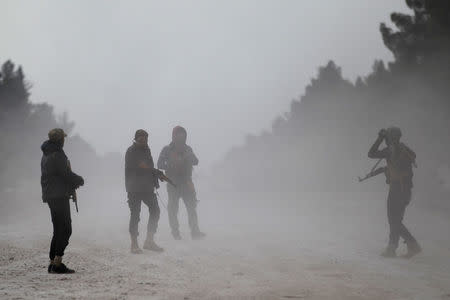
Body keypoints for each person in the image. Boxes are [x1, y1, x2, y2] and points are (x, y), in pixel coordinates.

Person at [368, 127, 422, 258]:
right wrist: (387, 170)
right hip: (406, 190)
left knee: (394, 220)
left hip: (397, 190)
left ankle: (402, 246)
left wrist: (379, 138)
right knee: (396, 220)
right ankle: (401, 247)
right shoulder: (405, 149)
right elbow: (401, 166)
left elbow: (371, 153)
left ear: (390, 138)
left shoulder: (390, 150)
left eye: (387, 137)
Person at [41, 128, 84, 273]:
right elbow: (65, 174)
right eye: (63, 138)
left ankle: (52, 262)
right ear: (60, 139)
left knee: (57, 229)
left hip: (51, 195)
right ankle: (57, 264)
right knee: (66, 228)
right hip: (59, 195)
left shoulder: (46, 154)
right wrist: (79, 180)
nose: (64, 141)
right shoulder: (57, 154)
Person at [157, 126, 205, 240]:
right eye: (178, 134)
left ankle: (195, 232)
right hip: (173, 183)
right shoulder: (166, 149)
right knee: (173, 209)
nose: (181, 136)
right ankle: (175, 233)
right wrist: (171, 164)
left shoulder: (188, 149)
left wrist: (189, 157)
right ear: (174, 135)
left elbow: (196, 161)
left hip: (187, 182)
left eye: (182, 134)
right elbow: (159, 164)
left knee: (191, 207)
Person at [125, 129, 164, 253]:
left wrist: (156, 178)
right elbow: (141, 166)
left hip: (147, 188)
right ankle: (134, 244)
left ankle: (149, 241)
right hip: (134, 188)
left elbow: (150, 166)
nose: (144, 141)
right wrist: (156, 172)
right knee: (135, 215)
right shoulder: (131, 151)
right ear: (136, 139)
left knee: (156, 210)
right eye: (141, 138)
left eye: (146, 139)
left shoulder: (147, 150)